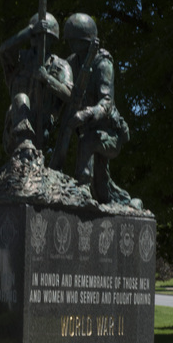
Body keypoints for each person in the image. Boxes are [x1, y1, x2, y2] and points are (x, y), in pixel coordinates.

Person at [60, 13, 132, 205]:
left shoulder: (102, 64)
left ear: (83, 41)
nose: (70, 45)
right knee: (103, 192)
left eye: (74, 41)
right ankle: (127, 203)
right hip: (90, 130)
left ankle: (81, 189)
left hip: (111, 133)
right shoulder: (72, 63)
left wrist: (86, 113)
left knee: (87, 142)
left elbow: (106, 103)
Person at [0, 13, 73, 158]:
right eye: (34, 36)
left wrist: (47, 79)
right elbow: (3, 51)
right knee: (20, 98)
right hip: (14, 129)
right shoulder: (20, 60)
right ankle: (25, 141)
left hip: (41, 128)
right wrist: (28, 31)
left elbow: (69, 94)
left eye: (40, 36)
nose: (36, 39)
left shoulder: (60, 65)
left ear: (51, 38)